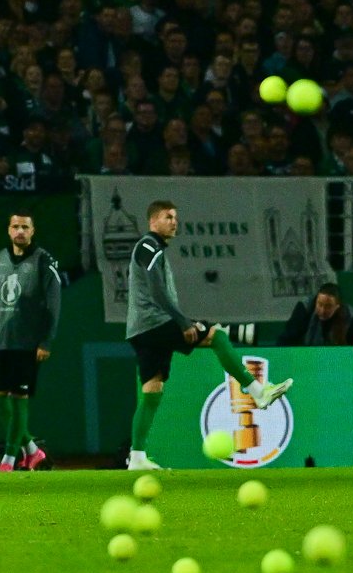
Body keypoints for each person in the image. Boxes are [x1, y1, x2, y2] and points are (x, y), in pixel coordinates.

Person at [124, 200, 292, 470]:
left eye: (176, 217)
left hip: (141, 330)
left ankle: (137, 457)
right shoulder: (147, 244)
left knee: (152, 389)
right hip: (154, 323)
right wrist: (181, 322)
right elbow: (156, 290)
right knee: (216, 336)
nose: (174, 222)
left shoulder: (155, 248)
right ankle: (257, 391)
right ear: (153, 221)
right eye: (168, 217)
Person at [0, 213, 65, 472]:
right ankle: (31, 450)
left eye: (25, 227)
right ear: (8, 230)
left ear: (32, 230)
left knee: (19, 401)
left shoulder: (44, 261)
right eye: (15, 227)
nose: (20, 231)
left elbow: (54, 305)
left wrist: (46, 341)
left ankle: (8, 459)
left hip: (26, 344)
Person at [278, 282, 353, 346]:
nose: (322, 311)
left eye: (328, 306)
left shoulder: (350, 316)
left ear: (337, 306)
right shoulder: (304, 309)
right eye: (320, 304)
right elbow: (287, 339)